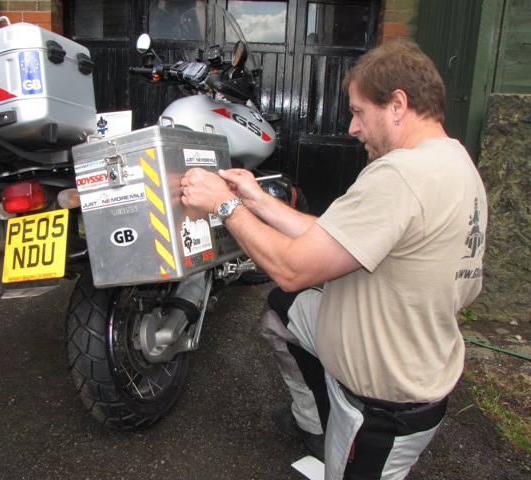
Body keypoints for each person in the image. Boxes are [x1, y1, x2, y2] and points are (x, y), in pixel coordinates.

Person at [180, 39, 487, 479]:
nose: (351, 128)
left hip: (383, 405)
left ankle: (340, 441)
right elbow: (333, 237)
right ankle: (315, 424)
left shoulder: (400, 175)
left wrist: (224, 207)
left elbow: (292, 269)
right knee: (282, 314)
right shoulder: (454, 162)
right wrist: (254, 198)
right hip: (407, 348)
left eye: (359, 111)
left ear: (397, 104)